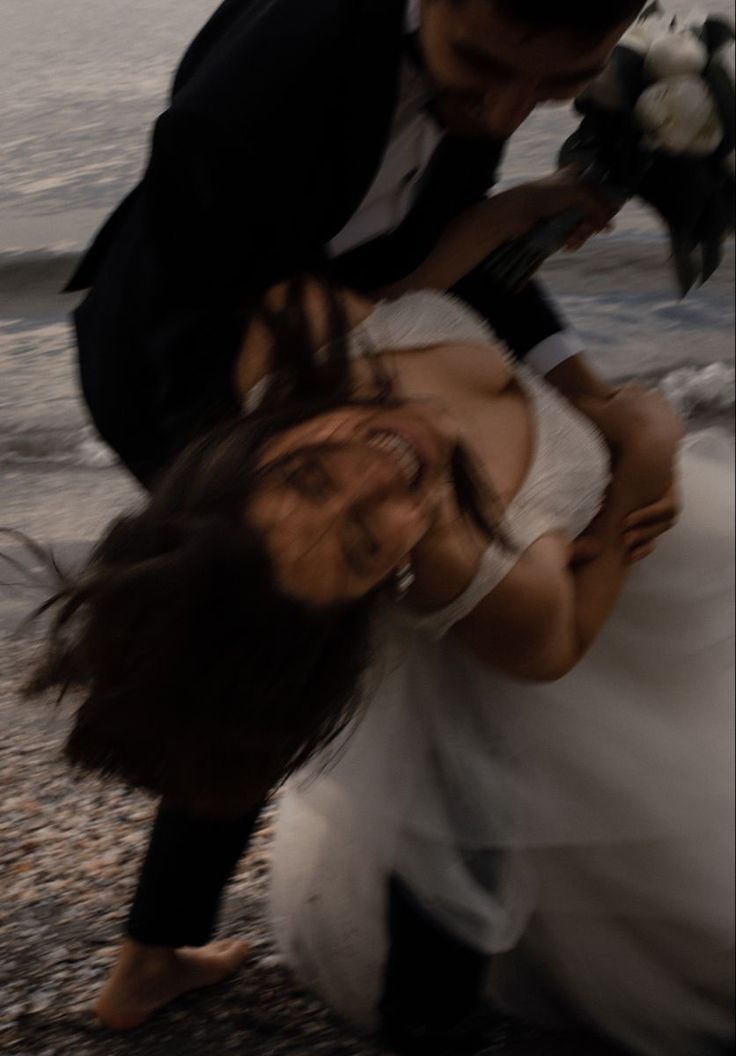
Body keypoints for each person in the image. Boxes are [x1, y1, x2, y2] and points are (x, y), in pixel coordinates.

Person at [60, 0, 683, 1031]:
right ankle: (190, 959)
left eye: (554, 89)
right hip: (201, 373)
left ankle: (164, 950)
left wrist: (569, 362)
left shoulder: (485, 69)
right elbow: (195, 323)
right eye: (480, 68)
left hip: (364, 344)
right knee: (272, 644)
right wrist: (289, 492)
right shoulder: (262, 89)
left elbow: (440, 267)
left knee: (369, 657)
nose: (501, 113)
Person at [30, 277, 733, 1056]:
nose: (377, 471)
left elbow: (445, 266)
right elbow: (555, 646)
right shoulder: (501, 580)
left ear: (254, 443)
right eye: (365, 543)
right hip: (549, 609)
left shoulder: (299, 328)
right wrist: (643, 444)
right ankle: (427, 1022)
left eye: (306, 475)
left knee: (233, 647)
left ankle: (155, 954)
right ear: (381, 591)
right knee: (464, 769)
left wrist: (516, 228)